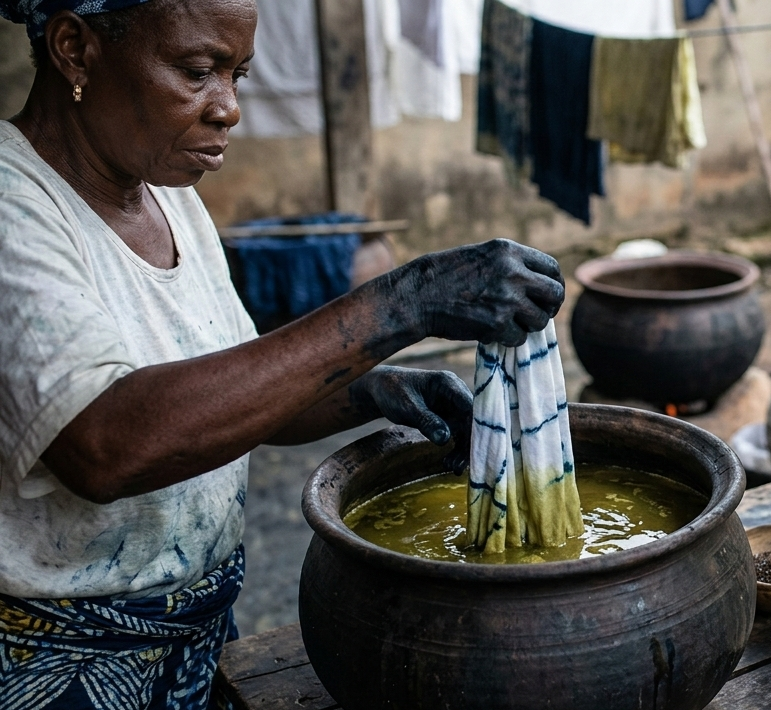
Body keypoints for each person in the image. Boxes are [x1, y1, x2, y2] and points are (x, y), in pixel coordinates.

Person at [0, 0, 566, 707]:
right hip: (56, 664)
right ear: (75, 50)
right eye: (198, 71)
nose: (228, 108)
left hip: (196, 638)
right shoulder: (12, 207)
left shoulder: (163, 194)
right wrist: (398, 305)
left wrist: (370, 390)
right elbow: (108, 446)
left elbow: (231, 391)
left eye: (238, 75)